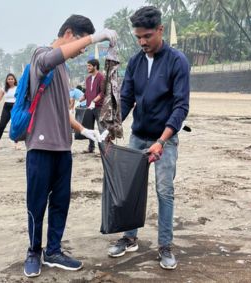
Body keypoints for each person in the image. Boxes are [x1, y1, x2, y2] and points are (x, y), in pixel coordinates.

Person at [23, 14, 117, 278]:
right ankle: (33, 250)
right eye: (82, 42)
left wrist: (86, 131)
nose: (84, 50)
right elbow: (52, 58)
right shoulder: (41, 56)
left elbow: (62, 113)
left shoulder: (63, 70)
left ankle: (53, 251)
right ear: (68, 34)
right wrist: (98, 37)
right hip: (40, 149)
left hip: (63, 149)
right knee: (36, 203)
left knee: (60, 202)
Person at [107, 6, 190, 270]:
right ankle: (129, 237)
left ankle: (165, 246)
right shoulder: (135, 62)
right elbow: (126, 98)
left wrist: (162, 141)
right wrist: (112, 127)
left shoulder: (177, 61)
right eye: (138, 37)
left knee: (164, 190)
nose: (142, 42)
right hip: (138, 136)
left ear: (160, 30)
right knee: (131, 189)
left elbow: (181, 107)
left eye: (147, 36)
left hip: (164, 138)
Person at [79, 59, 105, 153]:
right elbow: (87, 92)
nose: (88, 68)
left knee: (102, 128)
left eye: (89, 66)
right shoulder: (88, 78)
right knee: (89, 128)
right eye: (87, 66)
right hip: (89, 107)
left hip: (99, 107)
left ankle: (104, 149)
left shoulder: (101, 77)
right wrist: (82, 98)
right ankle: (91, 148)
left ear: (95, 66)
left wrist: (94, 100)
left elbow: (103, 92)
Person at [0, 73, 20, 150]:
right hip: (6, 108)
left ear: (14, 80)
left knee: (15, 126)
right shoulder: (4, 89)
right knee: (1, 126)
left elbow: (21, 98)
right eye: (9, 79)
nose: (10, 80)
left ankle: (16, 144)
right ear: (6, 80)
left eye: (12, 79)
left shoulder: (18, 88)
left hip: (15, 108)